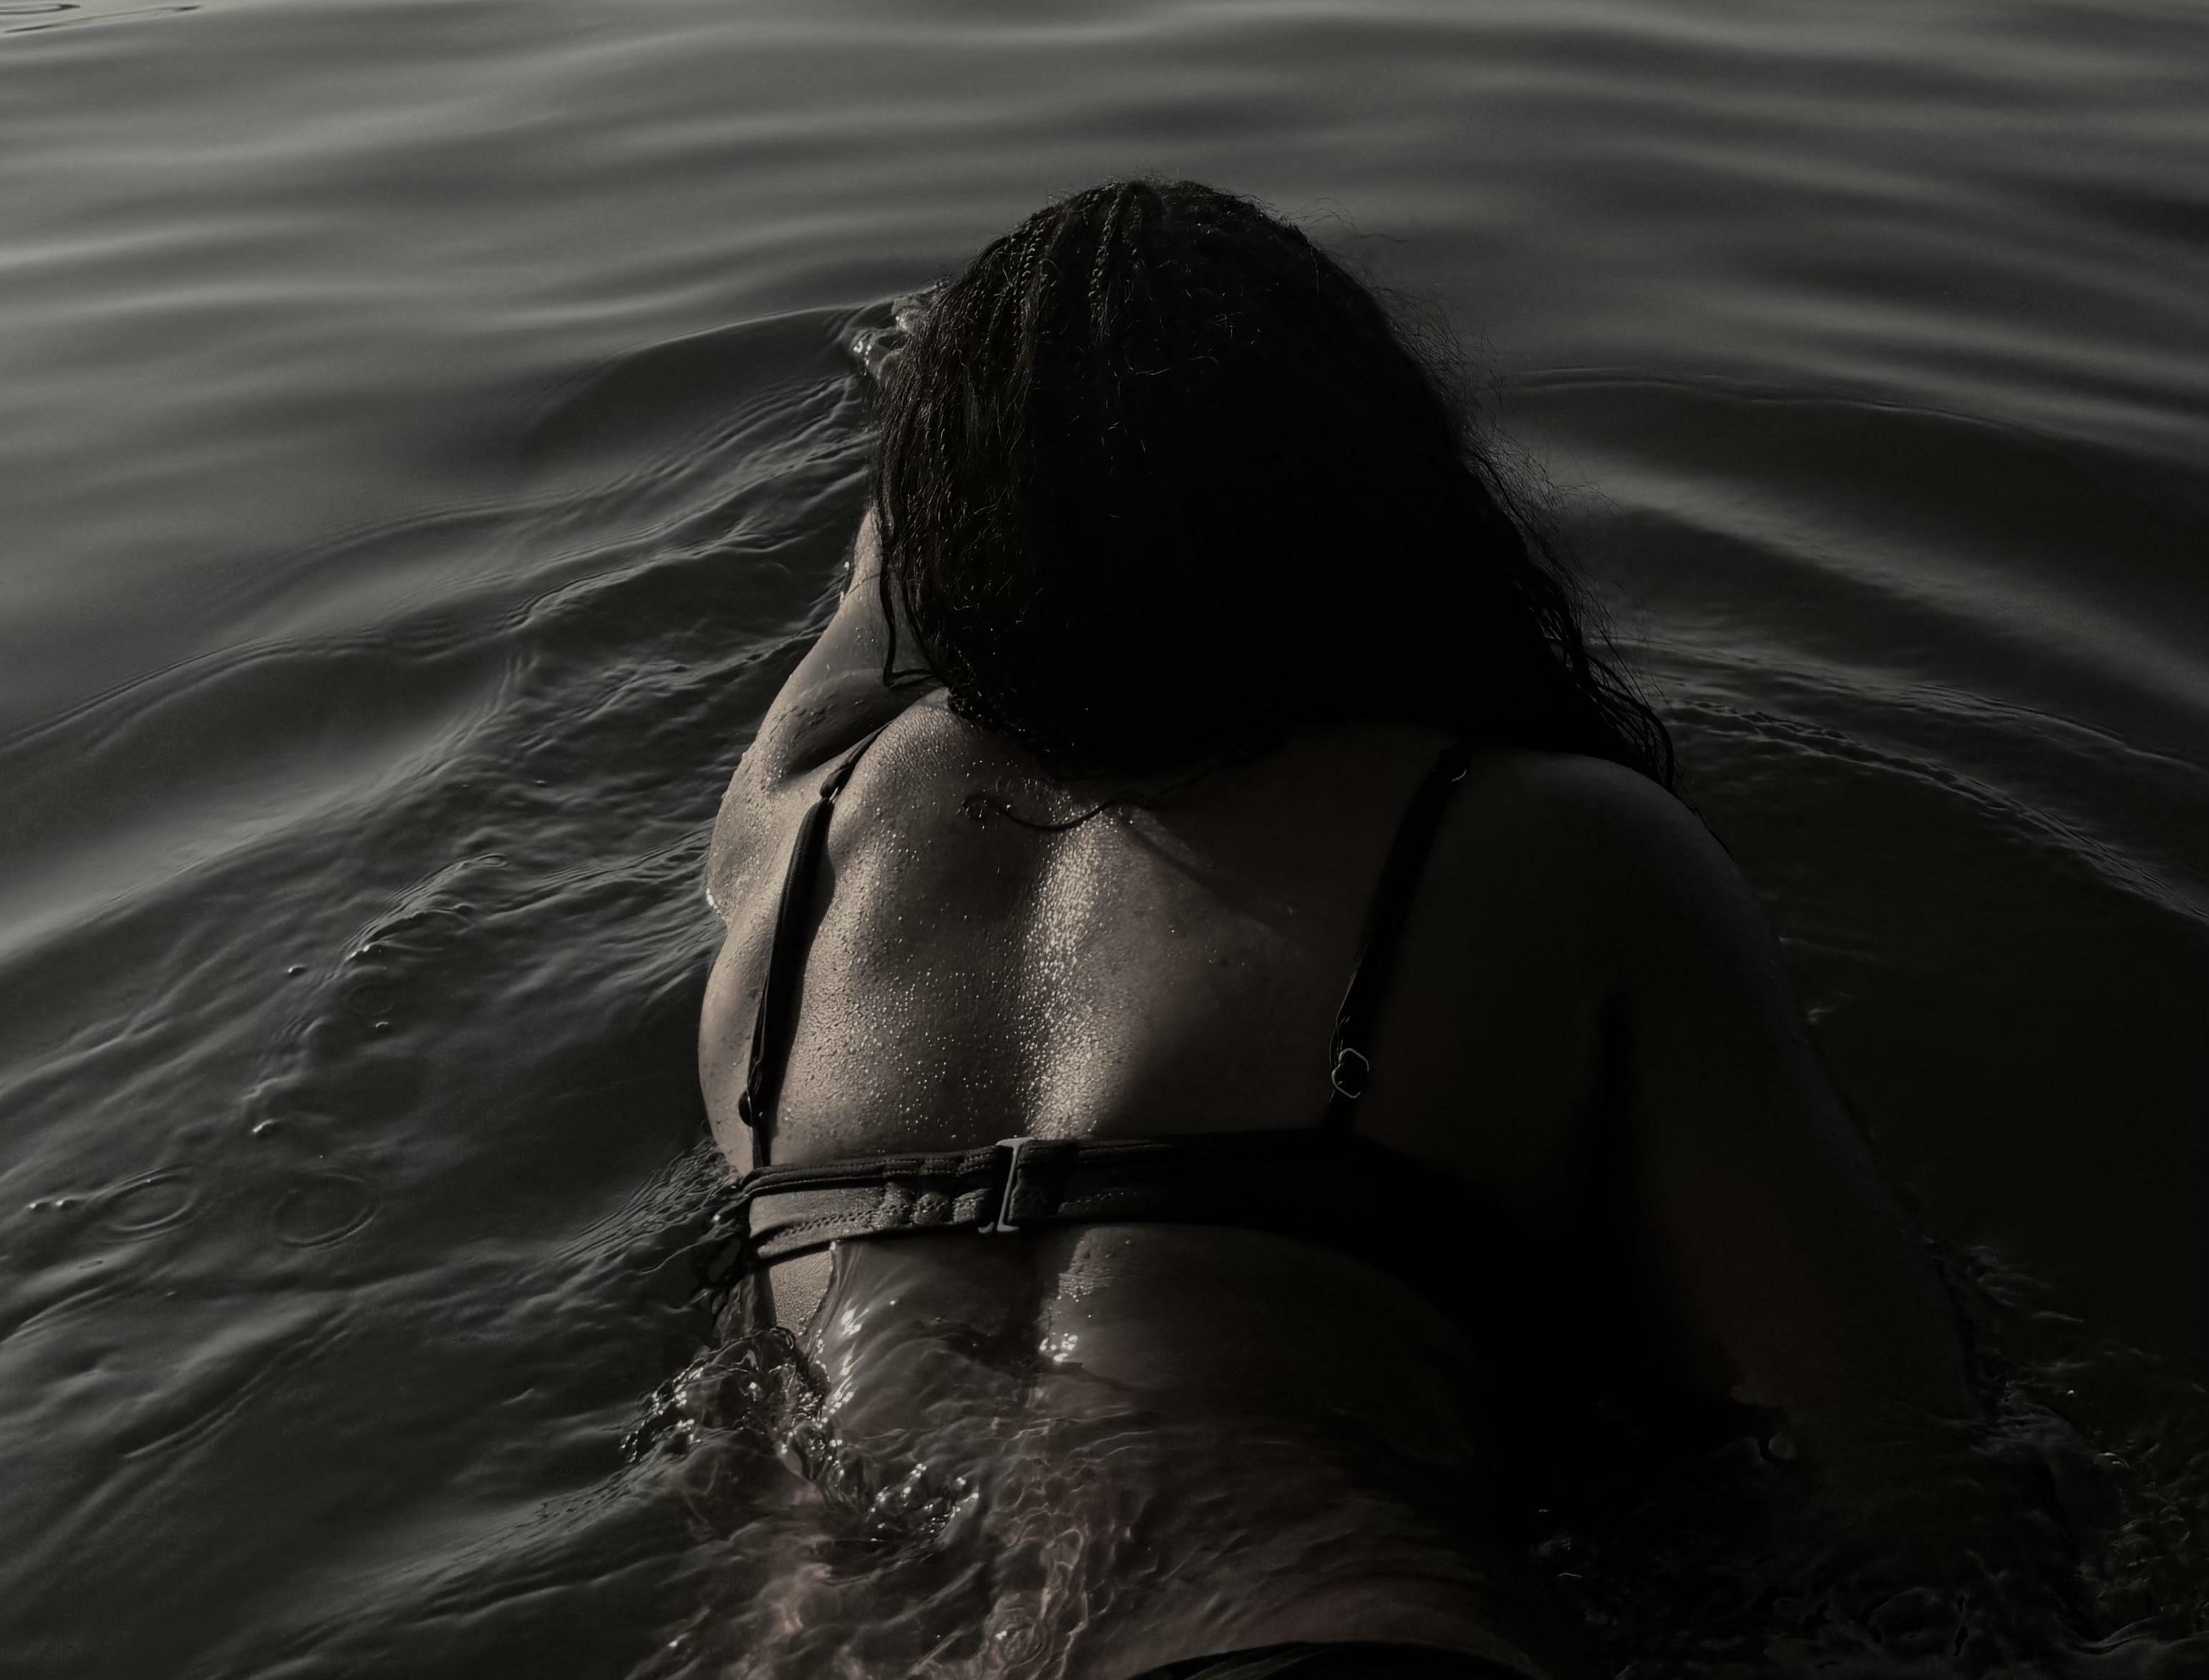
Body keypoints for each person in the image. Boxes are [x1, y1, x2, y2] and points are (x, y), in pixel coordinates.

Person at [698, 180, 1983, 1679]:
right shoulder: (1550, 842)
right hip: (1308, 1626)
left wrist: (944, 421)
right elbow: (1895, 1466)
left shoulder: (794, 844)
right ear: (1371, 488)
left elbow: (870, 618)